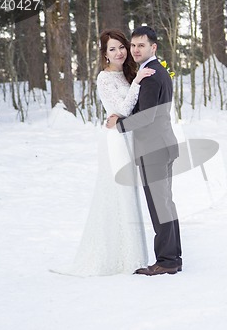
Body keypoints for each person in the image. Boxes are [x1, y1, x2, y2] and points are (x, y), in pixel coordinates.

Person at [69, 29, 155, 276]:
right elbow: (121, 109)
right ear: (105, 54)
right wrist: (137, 82)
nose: (119, 52)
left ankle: (132, 255)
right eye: (112, 49)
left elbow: (135, 109)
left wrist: (137, 80)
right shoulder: (104, 78)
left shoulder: (129, 73)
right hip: (115, 140)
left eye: (121, 47)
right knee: (118, 194)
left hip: (129, 136)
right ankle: (115, 258)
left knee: (130, 196)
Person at [106, 26, 182, 276]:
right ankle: (173, 257)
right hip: (162, 145)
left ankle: (167, 261)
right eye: (134, 45)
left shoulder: (150, 75)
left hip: (154, 150)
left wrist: (119, 124)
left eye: (142, 45)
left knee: (160, 207)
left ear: (153, 47)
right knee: (165, 204)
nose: (136, 50)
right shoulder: (155, 69)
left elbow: (147, 117)